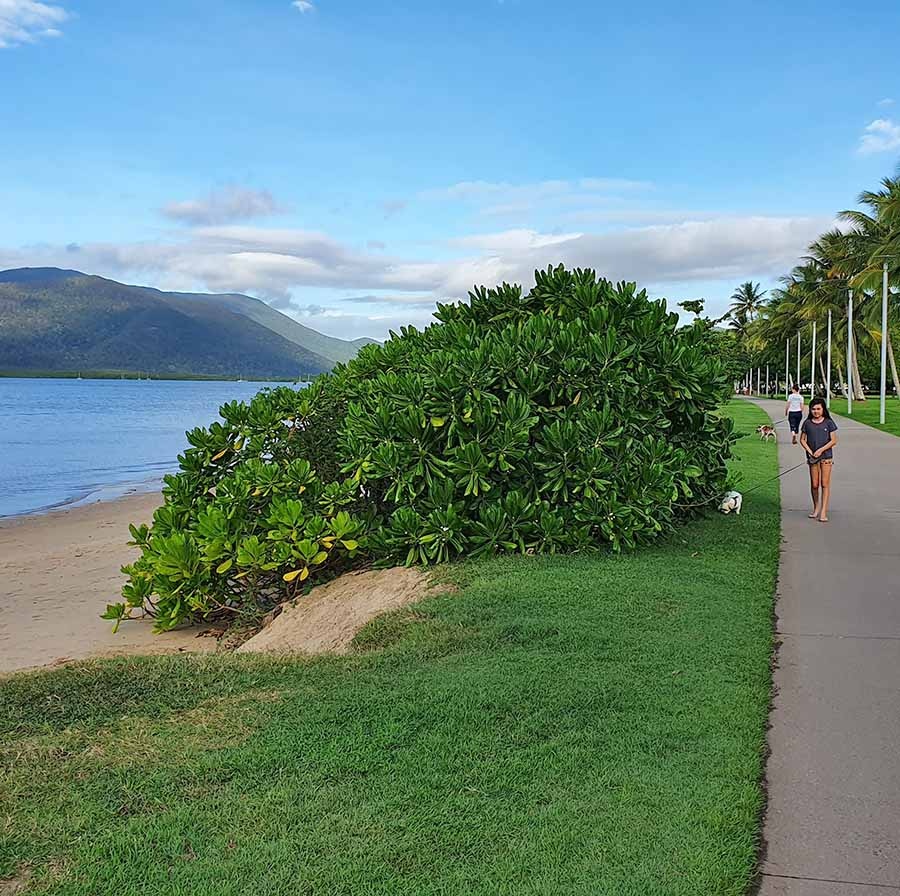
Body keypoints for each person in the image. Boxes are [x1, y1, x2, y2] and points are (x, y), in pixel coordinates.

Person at [799, 397, 838, 523]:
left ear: (823, 409)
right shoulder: (807, 423)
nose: (816, 411)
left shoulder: (828, 422)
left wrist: (821, 450)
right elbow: (802, 440)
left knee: (824, 484)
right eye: (813, 409)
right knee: (814, 484)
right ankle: (816, 507)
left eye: (818, 409)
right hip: (812, 458)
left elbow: (833, 440)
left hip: (826, 457)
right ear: (810, 410)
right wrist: (811, 452)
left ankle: (823, 512)